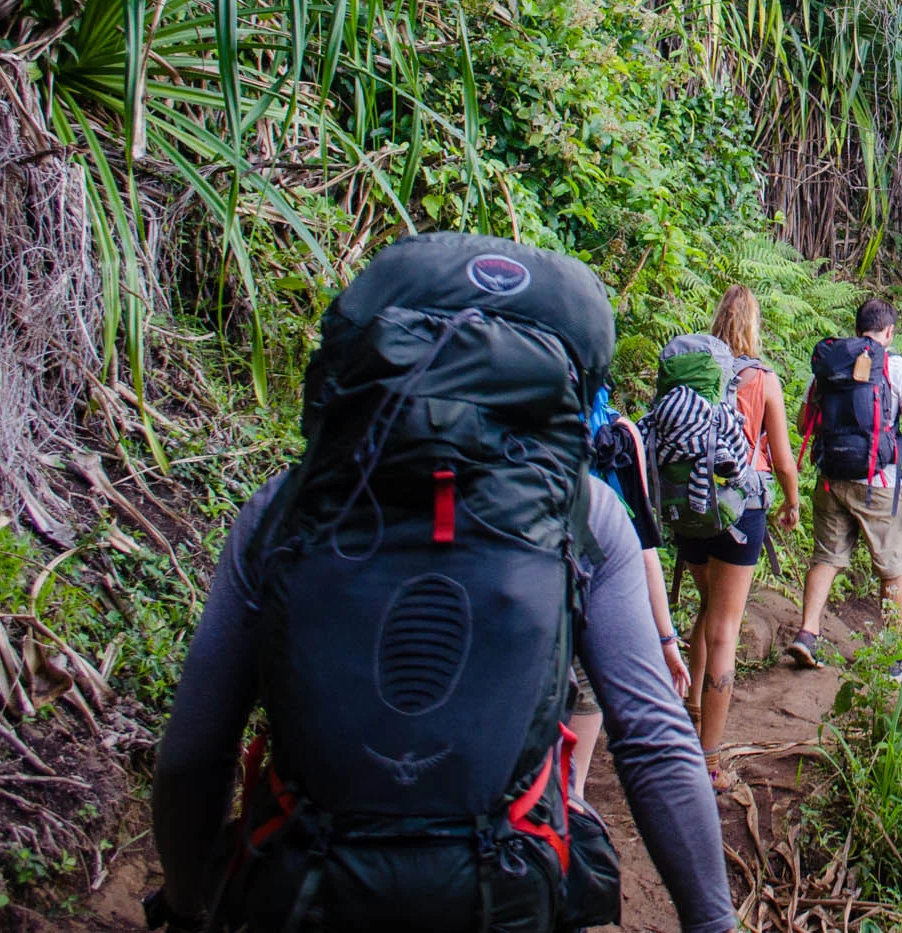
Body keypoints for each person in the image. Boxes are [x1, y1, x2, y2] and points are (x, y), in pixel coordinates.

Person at [151, 477, 733, 933]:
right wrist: (711, 921)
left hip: (310, 891)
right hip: (508, 892)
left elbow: (193, 755)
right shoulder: (581, 508)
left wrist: (184, 905)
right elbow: (654, 742)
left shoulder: (283, 506)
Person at [675, 286, 801, 787]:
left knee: (707, 608)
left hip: (691, 504)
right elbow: (783, 459)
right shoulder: (762, 378)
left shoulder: (694, 371)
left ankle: (692, 709)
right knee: (725, 629)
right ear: (754, 325)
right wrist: (792, 502)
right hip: (739, 508)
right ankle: (708, 761)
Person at [785, 298, 902, 668]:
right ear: (890, 332)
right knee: (892, 569)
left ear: (857, 329)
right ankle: (891, 655)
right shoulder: (899, 369)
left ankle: (807, 634)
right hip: (879, 482)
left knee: (826, 557)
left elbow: (803, 424)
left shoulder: (829, 365)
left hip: (831, 478)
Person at [571, 389, 693, 795]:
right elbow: (643, 549)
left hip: (515, 599)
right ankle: (571, 802)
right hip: (588, 593)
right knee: (572, 778)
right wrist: (666, 640)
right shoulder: (617, 432)